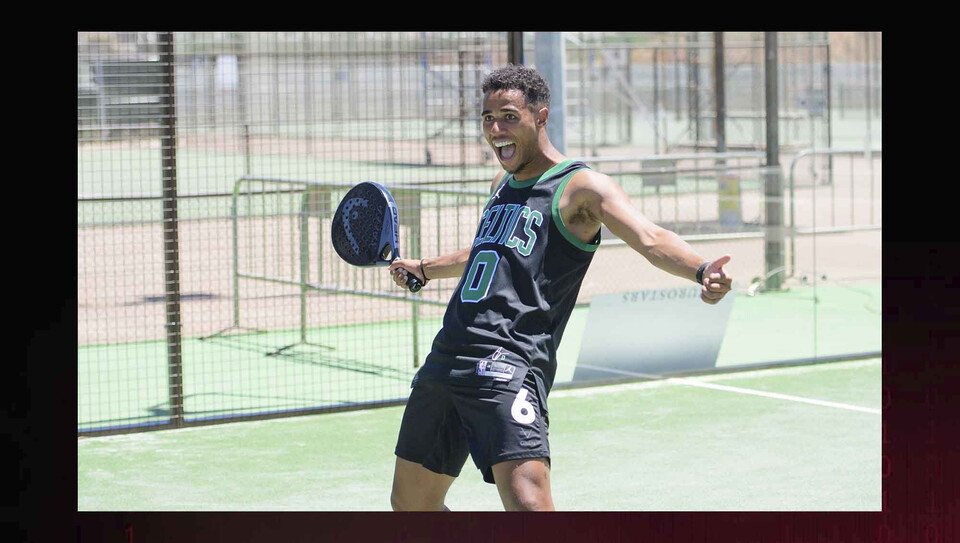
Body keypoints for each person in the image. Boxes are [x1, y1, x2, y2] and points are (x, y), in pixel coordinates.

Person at [387, 64, 732, 511]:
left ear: (540, 117)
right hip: (447, 356)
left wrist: (702, 269)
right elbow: (489, 254)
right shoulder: (501, 184)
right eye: (488, 119)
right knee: (411, 504)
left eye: (509, 116)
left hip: (508, 360)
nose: (496, 129)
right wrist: (426, 268)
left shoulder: (580, 186)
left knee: (530, 505)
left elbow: (650, 238)